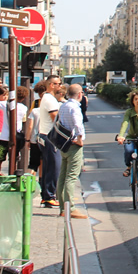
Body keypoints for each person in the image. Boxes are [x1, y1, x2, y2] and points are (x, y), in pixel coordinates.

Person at [57, 83, 88, 218]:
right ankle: (71, 208)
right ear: (80, 94)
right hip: (74, 144)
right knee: (71, 176)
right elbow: (78, 125)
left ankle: (63, 207)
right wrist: (80, 138)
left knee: (62, 176)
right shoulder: (74, 108)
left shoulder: (63, 106)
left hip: (63, 144)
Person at [37, 77, 63, 208]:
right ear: (52, 85)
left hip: (45, 134)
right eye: (58, 84)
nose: (60, 86)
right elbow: (56, 118)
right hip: (50, 136)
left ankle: (47, 196)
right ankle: (49, 195)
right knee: (54, 167)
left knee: (48, 167)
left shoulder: (47, 98)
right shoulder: (50, 100)